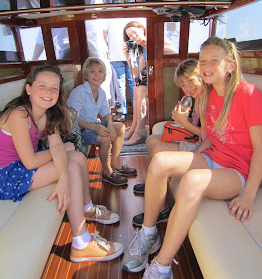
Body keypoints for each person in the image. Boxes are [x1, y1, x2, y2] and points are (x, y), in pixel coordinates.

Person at [122, 36, 262, 278]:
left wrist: (249, 194)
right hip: (211, 157)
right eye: (203, 61)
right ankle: (148, 234)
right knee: (160, 161)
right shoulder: (209, 94)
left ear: (230, 66)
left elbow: (260, 148)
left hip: (236, 171)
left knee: (192, 180)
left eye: (213, 61)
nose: (206, 66)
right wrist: (192, 157)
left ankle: (162, 266)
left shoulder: (248, 94)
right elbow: (210, 137)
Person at [0, 65, 123, 263]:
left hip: (22, 165)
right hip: (6, 174)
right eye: (42, 86)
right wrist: (63, 158)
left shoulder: (50, 114)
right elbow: (31, 162)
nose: (48, 92)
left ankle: (87, 207)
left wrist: (63, 178)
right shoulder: (19, 115)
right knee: (71, 161)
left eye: (54, 88)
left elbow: (57, 145)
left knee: (77, 156)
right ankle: (81, 244)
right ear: (28, 89)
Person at [132, 59, 203, 226]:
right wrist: (183, 118)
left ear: (202, 76)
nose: (187, 88)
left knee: (160, 151)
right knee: (151, 140)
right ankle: (161, 202)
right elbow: (197, 124)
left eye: (190, 81)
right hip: (195, 138)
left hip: (203, 146)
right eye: (183, 85)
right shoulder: (195, 98)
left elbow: (207, 136)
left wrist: (184, 122)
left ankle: (158, 194)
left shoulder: (208, 100)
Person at [67, 57, 137, 186]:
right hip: (79, 131)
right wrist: (96, 128)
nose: (96, 75)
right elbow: (72, 119)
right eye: (92, 71)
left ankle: (115, 163)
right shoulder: (79, 93)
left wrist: (110, 126)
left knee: (119, 127)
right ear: (86, 74)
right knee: (105, 138)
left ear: (105, 75)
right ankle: (107, 172)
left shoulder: (101, 92)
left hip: (92, 127)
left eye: (100, 71)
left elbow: (105, 113)